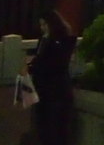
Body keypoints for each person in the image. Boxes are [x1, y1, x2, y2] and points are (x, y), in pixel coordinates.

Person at [26, 10, 77, 145]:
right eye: (41, 25)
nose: (43, 28)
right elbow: (39, 60)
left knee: (57, 130)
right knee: (43, 129)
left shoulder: (64, 40)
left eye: (45, 25)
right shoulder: (43, 40)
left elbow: (55, 64)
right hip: (42, 91)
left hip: (57, 92)